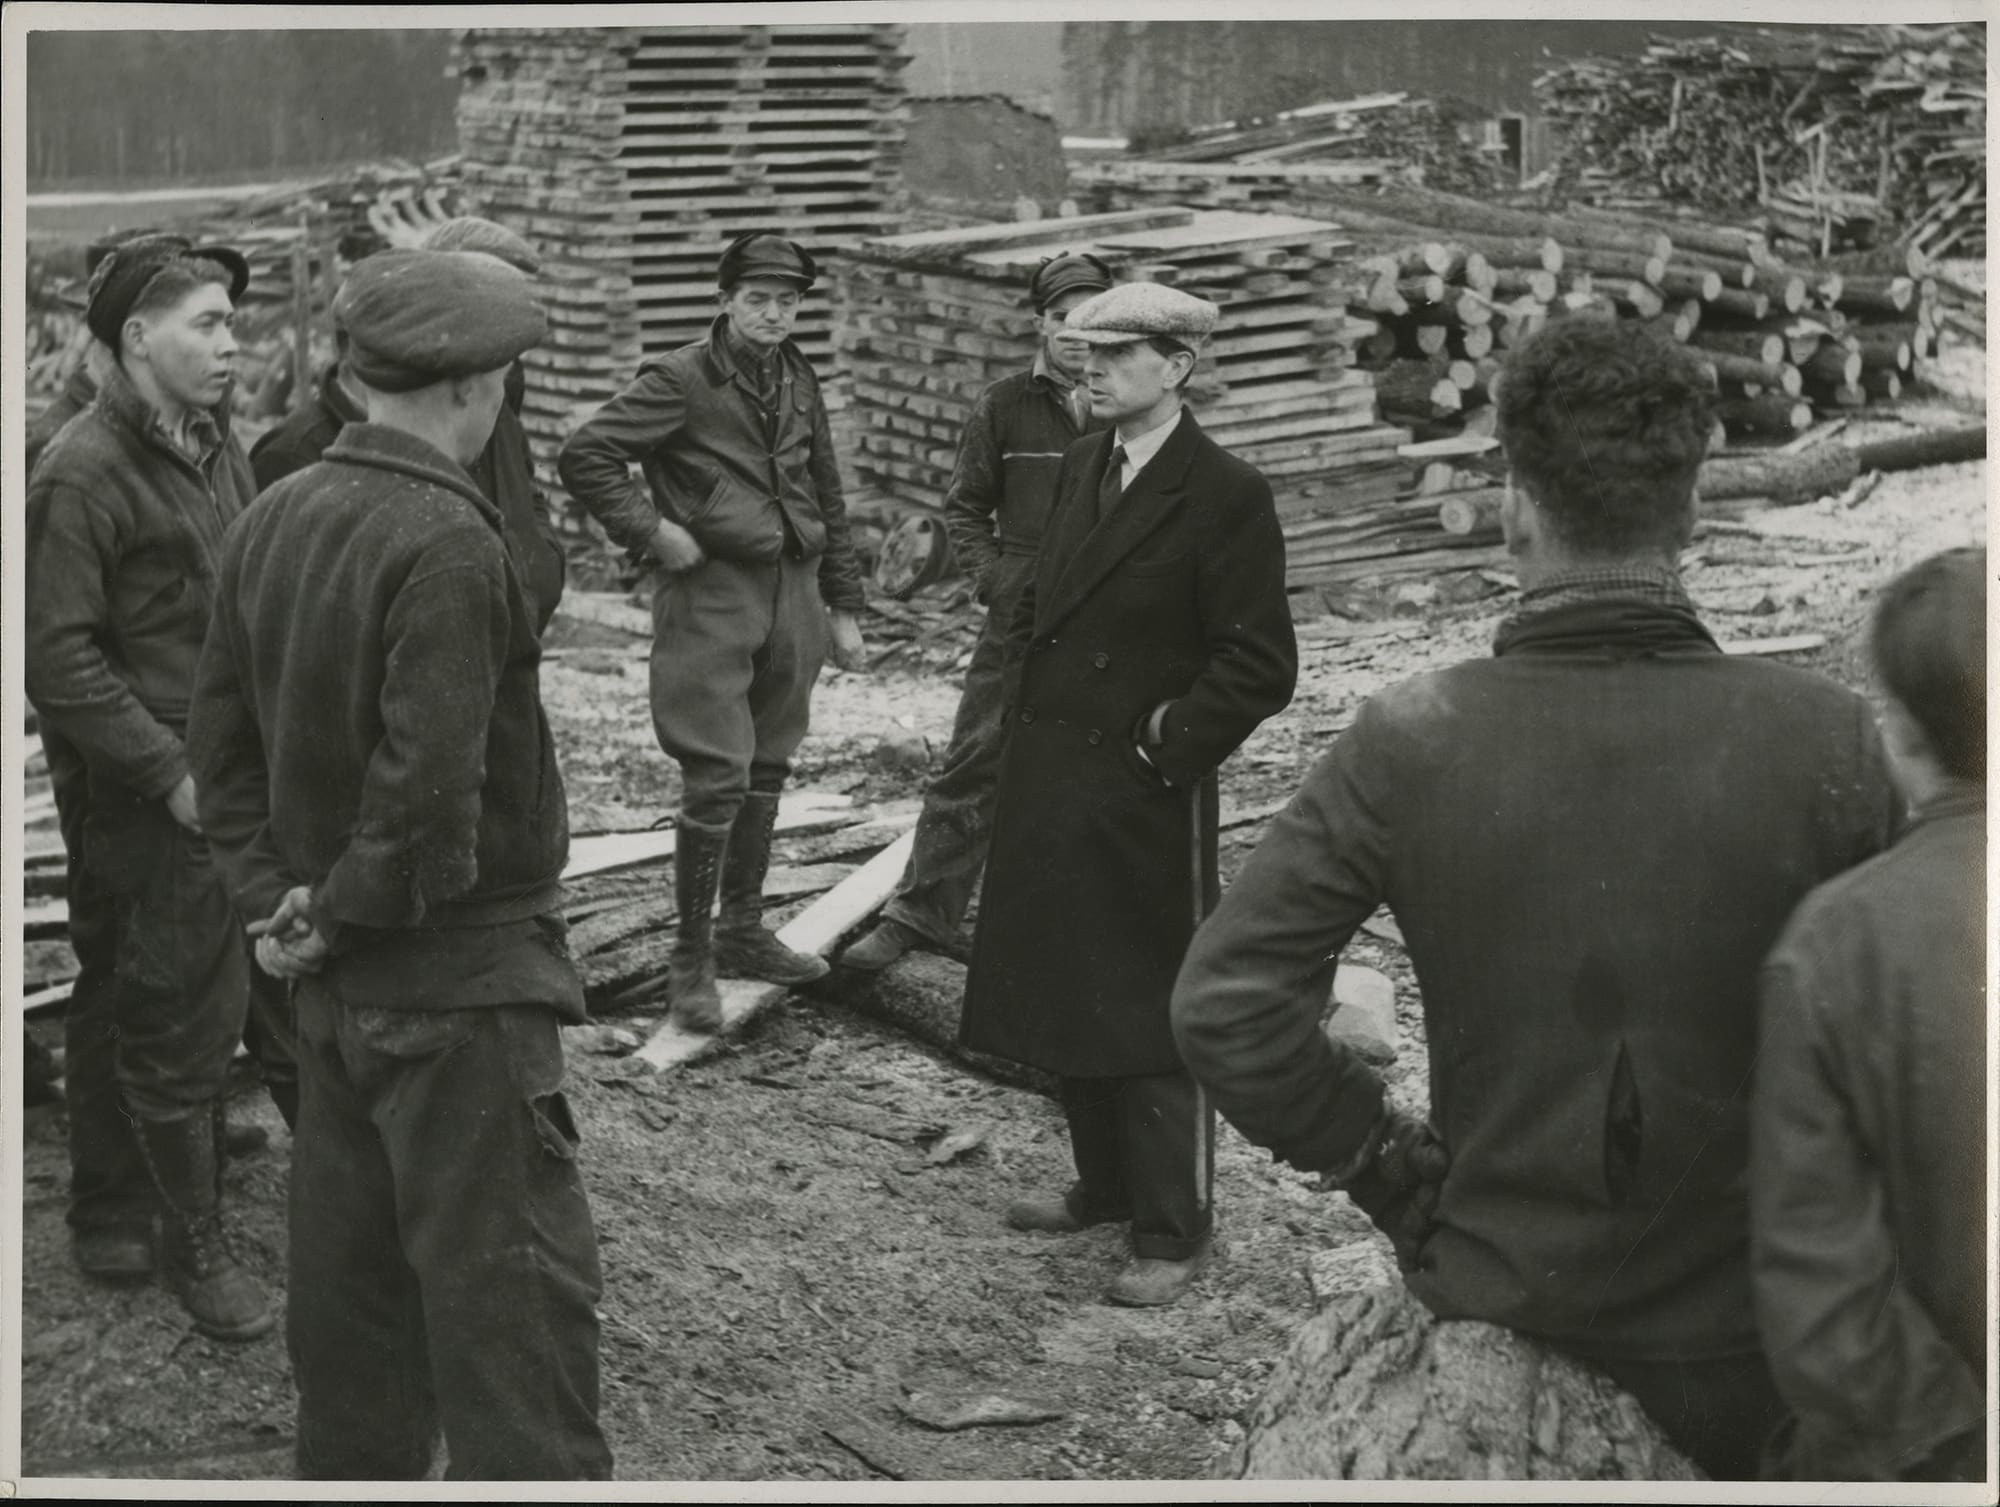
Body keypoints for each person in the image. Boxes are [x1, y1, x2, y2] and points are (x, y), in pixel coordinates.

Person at [1169, 316, 1902, 1479]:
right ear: (1691, 511)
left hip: (1505, 1323)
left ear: (1512, 506)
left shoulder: (1408, 738)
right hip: (1765, 1343)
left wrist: (1377, 1160)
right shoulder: (1827, 739)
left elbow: (1223, 1006)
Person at [187, 247, 612, 1480]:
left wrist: (274, 907)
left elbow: (219, 752)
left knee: (354, 1320)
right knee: (515, 1334)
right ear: (475, 386)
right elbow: (428, 801)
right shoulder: (452, 540)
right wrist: (336, 911)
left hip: (329, 1000)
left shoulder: (269, 514)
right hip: (456, 993)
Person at [960, 282, 1298, 1308]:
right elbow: (1041, 608)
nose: (1090, 369)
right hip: (1054, 769)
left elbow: (1259, 665)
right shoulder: (1083, 462)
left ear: (1177, 366)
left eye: (1115, 354)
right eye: (1085, 352)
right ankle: (1103, 1187)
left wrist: (1163, 747)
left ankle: (1173, 1226)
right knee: (1069, 977)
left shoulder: (1225, 492)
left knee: (1149, 1002)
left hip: (1144, 787)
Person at [24, 232, 275, 1339]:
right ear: (137, 337)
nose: (233, 344)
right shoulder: (81, 469)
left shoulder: (215, 442)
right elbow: (55, 657)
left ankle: (152, 1174)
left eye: (233, 322)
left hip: (218, 764)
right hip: (146, 783)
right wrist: (167, 770)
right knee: (152, 990)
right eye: (208, 323)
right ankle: (168, 1229)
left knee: (170, 984)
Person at [558, 232, 869, 1032]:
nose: (774, 315)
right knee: (716, 773)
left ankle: (743, 930)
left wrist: (843, 606)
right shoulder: (679, 379)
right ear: (724, 300)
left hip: (793, 588)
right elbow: (586, 454)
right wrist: (650, 530)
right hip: (711, 589)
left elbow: (825, 487)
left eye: (788, 302)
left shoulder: (797, 374)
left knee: (769, 761)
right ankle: (690, 958)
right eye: (757, 300)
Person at [1752, 547, 1987, 1483]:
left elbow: (1822, 1299)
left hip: (1938, 1453)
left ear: (1902, 734)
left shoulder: (1834, 943)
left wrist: (1961, 1451)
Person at [841, 252, 1114, 972]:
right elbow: (964, 506)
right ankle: (919, 914)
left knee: (1101, 762)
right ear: (1039, 322)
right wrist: (995, 579)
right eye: (1062, 318)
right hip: (1023, 604)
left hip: (1111, 604)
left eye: (1091, 319)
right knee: (977, 756)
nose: (1077, 335)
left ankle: (1079, 928)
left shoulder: (1130, 400)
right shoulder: (1006, 404)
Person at [249, 215, 568, 636]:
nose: (500, 342)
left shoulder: (498, 390)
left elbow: (524, 491)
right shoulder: (292, 453)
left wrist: (541, 565)